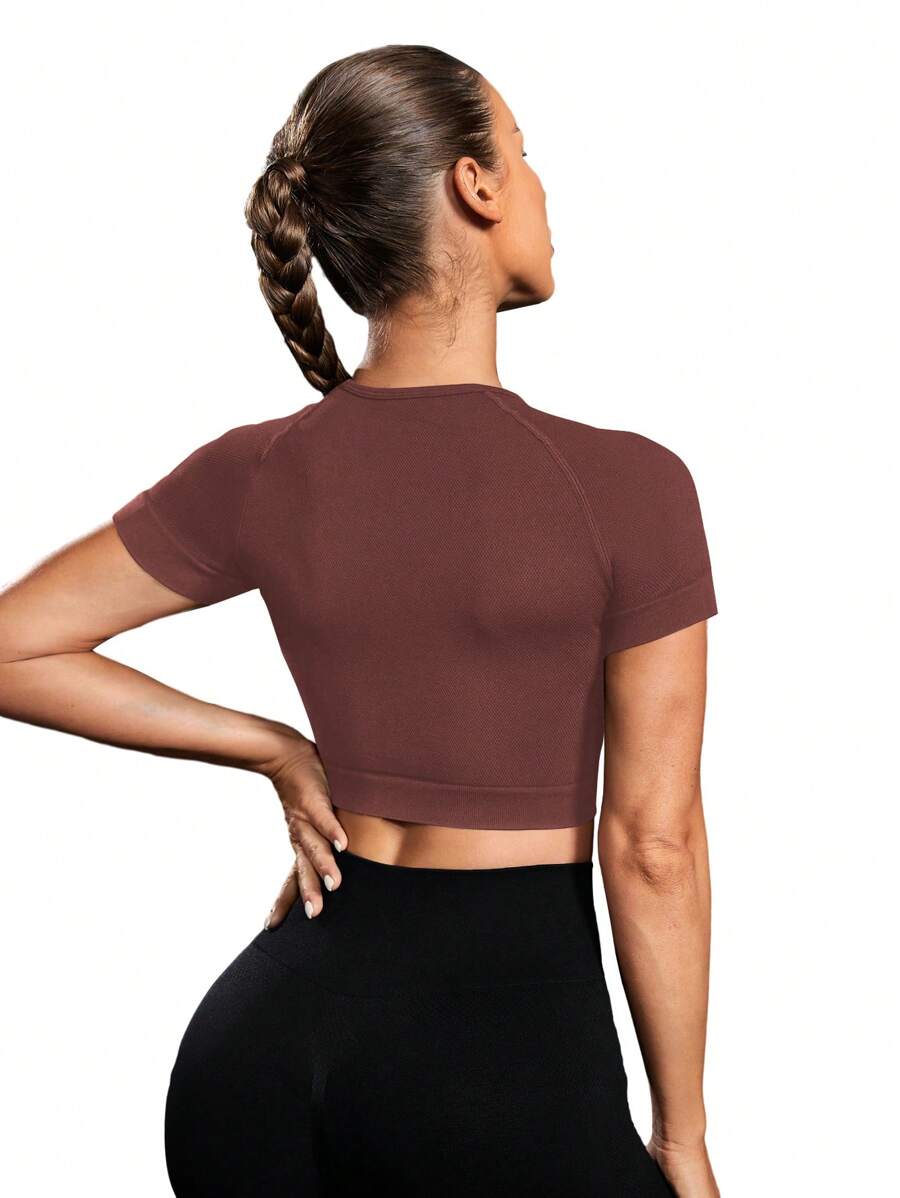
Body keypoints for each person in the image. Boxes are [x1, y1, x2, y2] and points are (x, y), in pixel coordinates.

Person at [0, 44, 721, 1198]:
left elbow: (15, 643)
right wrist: (682, 1138)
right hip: (497, 1068)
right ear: (476, 186)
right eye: (524, 153)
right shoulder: (628, 487)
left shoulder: (262, 468)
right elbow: (653, 844)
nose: (540, 184)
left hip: (262, 1051)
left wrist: (275, 749)